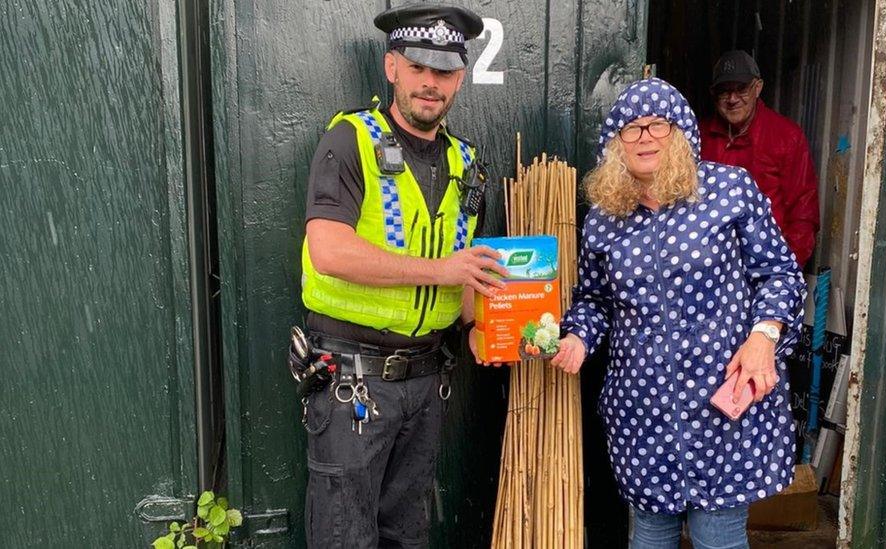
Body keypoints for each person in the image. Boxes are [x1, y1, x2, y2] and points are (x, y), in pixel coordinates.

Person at [551, 77, 806, 548]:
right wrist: (578, 338)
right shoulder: (604, 219)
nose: (645, 136)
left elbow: (781, 275)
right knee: (649, 537)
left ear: (682, 133)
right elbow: (595, 300)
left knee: (718, 537)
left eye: (658, 125)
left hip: (723, 402)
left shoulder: (729, 190)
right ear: (615, 144)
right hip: (643, 411)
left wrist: (764, 336)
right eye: (632, 128)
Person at [298, 4, 507, 547]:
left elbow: (465, 277)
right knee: (345, 538)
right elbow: (328, 250)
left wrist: (486, 326)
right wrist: (442, 269)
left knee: (406, 537)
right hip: (352, 384)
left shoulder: (468, 163)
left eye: (443, 72)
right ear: (393, 68)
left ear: (460, 78)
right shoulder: (350, 141)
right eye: (418, 68)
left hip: (425, 383)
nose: (429, 84)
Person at [700, 50, 820, 267]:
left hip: (768, 263)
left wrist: (787, 268)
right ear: (712, 93)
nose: (733, 99)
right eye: (724, 91)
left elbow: (804, 212)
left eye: (741, 89)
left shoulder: (786, 136)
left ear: (758, 88)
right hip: (710, 267)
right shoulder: (699, 137)